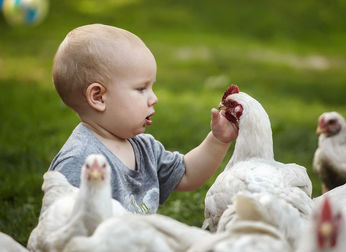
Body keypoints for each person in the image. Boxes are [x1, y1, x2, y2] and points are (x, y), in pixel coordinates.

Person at [49, 24, 238, 214]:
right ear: (98, 97)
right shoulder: (80, 161)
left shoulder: (144, 148)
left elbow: (188, 174)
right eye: (141, 89)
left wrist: (218, 140)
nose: (154, 98)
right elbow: (59, 227)